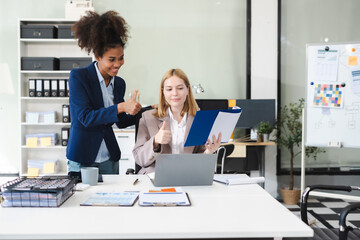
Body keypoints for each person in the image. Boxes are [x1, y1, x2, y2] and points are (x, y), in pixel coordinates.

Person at [66, 11, 142, 175]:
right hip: (82, 158)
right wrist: (121, 107)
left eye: (121, 58)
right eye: (111, 59)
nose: (118, 64)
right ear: (97, 56)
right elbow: (86, 117)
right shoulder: (79, 78)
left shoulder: (119, 83)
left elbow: (120, 121)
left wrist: (142, 110)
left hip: (109, 158)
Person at [133, 68, 221, 174]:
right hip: (156, 177)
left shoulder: (199, 120)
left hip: (188, 176)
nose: (175, 93)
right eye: (169, 89)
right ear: (163, 92)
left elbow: (200, 160)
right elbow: (140, 159)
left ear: (188, 90)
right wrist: (155, 141)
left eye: (180, 88)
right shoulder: (148, 117)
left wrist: (209, 152)